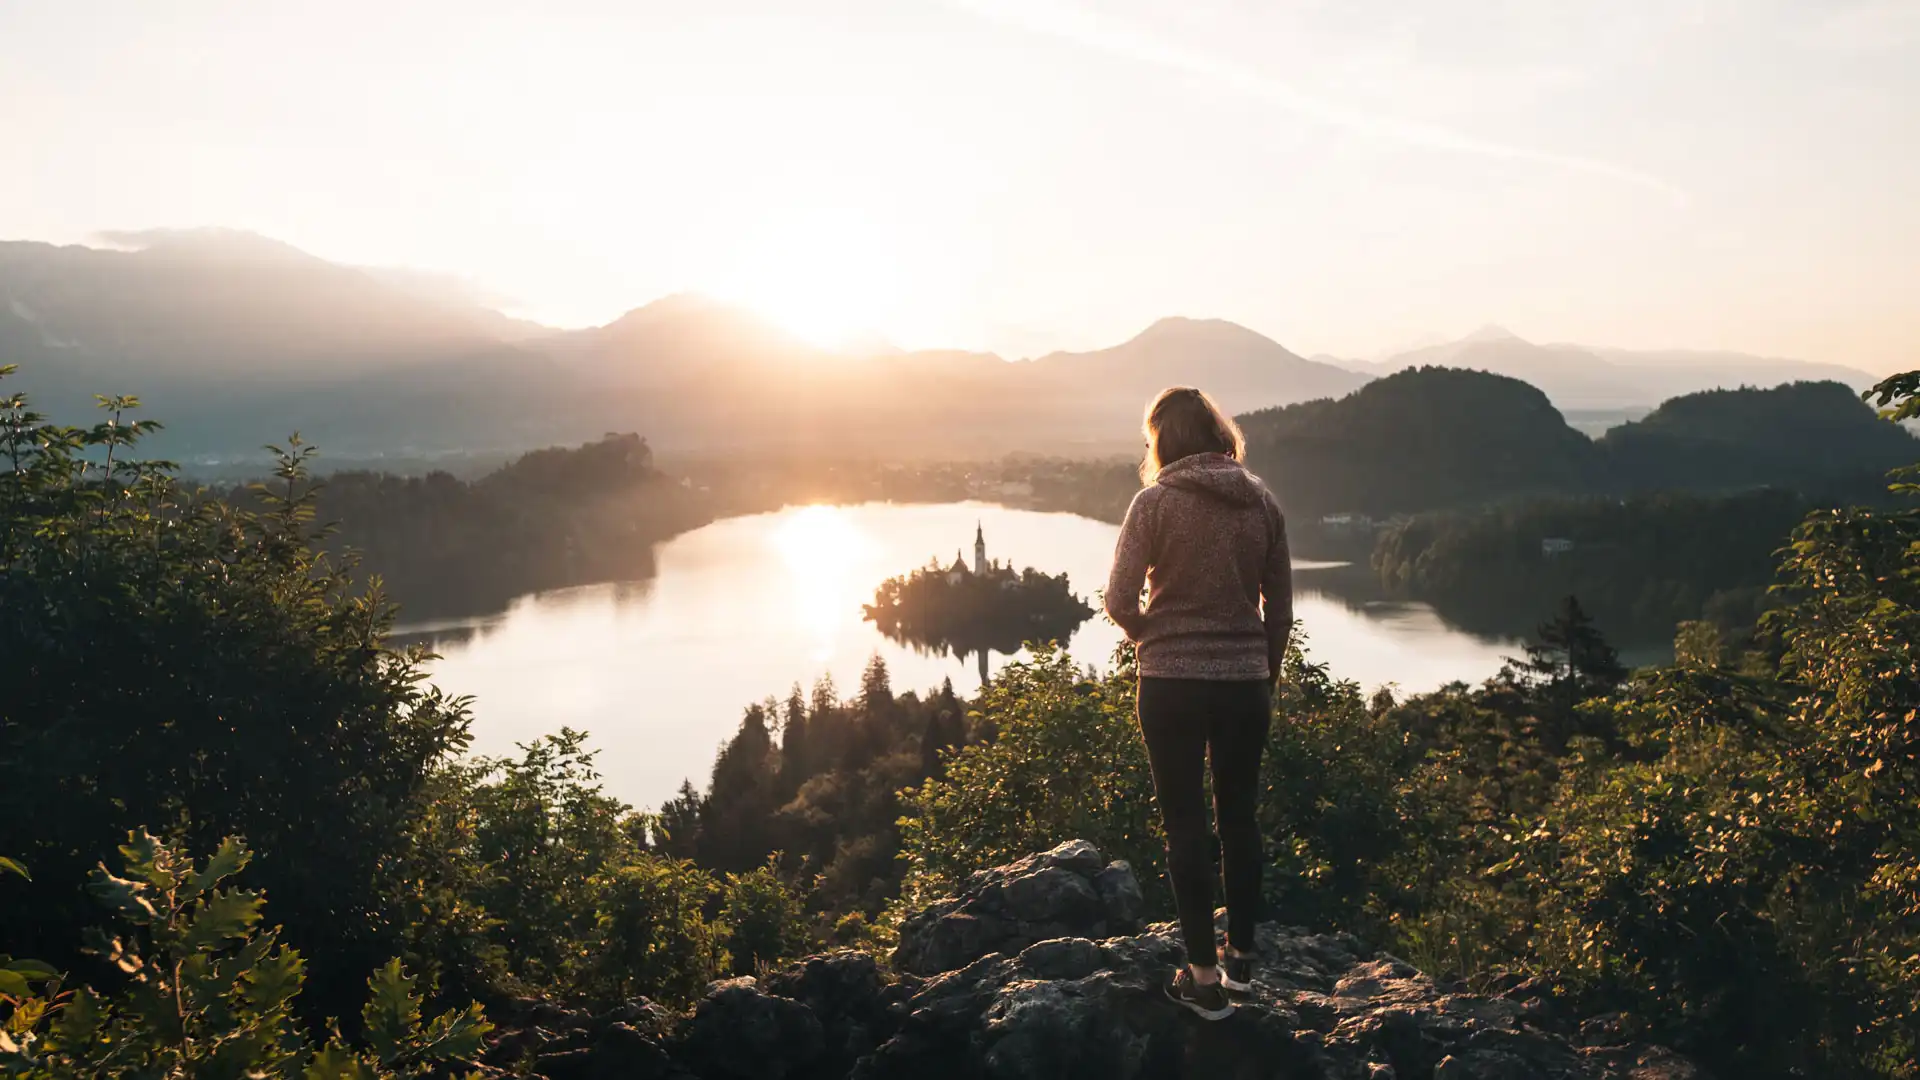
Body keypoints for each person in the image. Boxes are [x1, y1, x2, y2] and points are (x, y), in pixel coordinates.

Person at [1104, 386, 1293, 1020]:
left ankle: (1203, 980)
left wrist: (1152, 637)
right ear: (1217, 434)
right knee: (1240, 822)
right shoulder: (1262, 502)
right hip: (1243, 686)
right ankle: (1242, 966)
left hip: (1171, 687)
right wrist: (1261, 676)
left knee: (1185, 826)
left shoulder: (1153, 503)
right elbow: (1281, 613)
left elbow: (1118, 599)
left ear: (1162, 440)